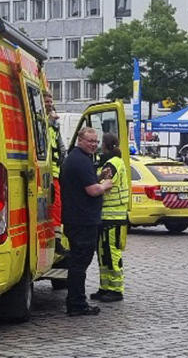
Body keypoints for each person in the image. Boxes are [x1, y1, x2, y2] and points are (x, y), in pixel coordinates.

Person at [60, 126, 114, 316]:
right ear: (80, 141)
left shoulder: (77, 159)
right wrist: (105, 184)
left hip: (77, 219)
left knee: (77, 263)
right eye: (90, 141)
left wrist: (97, 177)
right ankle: (77, 304)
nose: (94, 145)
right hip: (82, 221)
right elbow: (92, 190)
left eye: (96, 142)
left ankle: (76, 301)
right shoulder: (80, 161)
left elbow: (84, 183)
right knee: (79, 264)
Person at [92, 133, 129, 302]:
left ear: (106, 145)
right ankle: (105, 287)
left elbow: (105, 185)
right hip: (107, 216)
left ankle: (116, 289)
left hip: (114, 216)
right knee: (103, 253)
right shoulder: (111, 161)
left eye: (101, 143)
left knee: (112, 253)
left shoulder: (113, 163)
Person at [44, 92, 65, 254]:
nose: (49, 104)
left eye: (51, 101)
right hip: (45, 170)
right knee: (50, 206)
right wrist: (50, 122)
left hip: (55, 171)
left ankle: (56, 239)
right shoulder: (42, 120)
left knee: (56, 206)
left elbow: (60, 146)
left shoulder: (53, 123)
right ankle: (53, 239)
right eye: (46, 101)